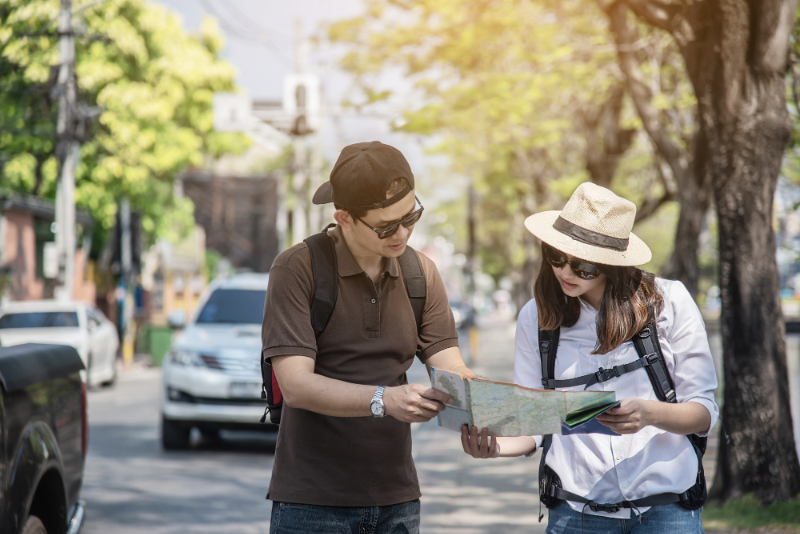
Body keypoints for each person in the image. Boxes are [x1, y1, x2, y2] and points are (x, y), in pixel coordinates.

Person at [461, 182, 719, 533]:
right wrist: (494, 447)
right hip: (576, 513)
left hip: (667, 509)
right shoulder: (535, 318)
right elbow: (533, 420)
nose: (565, 273)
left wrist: (649, 414)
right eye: (556, 257)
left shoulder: (668, 302)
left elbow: (703, 413)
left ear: (612, 264)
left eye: (582, 266)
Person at [262, 141, 474, 534]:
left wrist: (491, 413)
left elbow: (450, 366)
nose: (404, 233)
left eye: (411, 216)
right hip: (313, 503)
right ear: (344, 218)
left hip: (398, 501)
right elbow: (295, 386)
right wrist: (384, 399)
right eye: (387, 226)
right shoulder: (297, 268)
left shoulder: (421, 273)